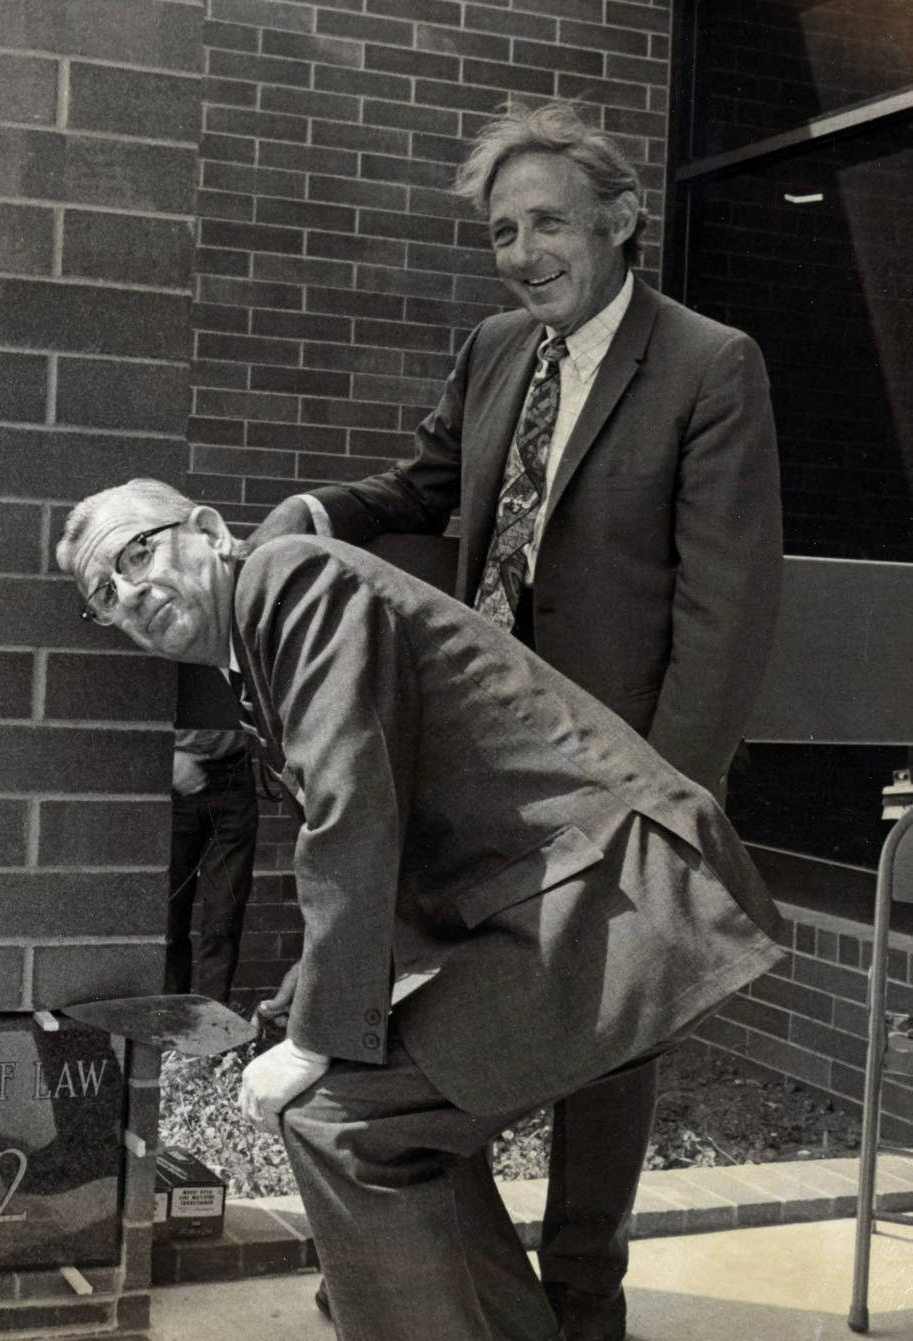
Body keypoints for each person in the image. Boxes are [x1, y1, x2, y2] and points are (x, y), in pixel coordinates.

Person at [252, 101, 783, 1339]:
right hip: (491, 761)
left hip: (625, 771)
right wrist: (319, 511)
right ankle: (455, 1279)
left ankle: (586, 1297)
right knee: (451, 1021)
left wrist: (670, 813)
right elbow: (429, 483)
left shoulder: (712, 366)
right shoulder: (497, 348)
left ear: (620, 219)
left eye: (548, 222)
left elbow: (727, 614)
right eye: (502, 231)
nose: (524, 251)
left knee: (612, 1034)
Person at [56, 478, 786, 1341]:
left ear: (210, 530)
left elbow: (353, 815)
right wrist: (303, 997)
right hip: (574, 902)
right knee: (393, 1124)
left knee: (344, 1119)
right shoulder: (255, 650)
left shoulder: (292, 581)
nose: (131, 590)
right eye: (106, 592)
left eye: (138, 551)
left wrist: (314, 1040)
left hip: (618, 897)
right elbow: (382, 832)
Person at [167, 664, 259, 1004]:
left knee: (225, 912)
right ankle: (171, 1025)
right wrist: (166, 755)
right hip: (178, 779)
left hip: (234, 775)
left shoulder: (238, 632)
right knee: (170, 914)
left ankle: (211, 1027)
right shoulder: (164, 630)